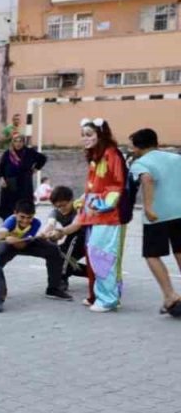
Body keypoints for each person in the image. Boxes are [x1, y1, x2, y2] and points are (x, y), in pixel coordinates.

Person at [71, 118, 128, 312]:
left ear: (100, 135)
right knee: (95, 255)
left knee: (102, 256)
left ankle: (108, 299)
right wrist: (84, 200)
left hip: (108, 215)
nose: (84, 139)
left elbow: (117, 185)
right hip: (95, 214)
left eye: (89, 135)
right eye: (83, 135)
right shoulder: (97, 156)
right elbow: (96, 186)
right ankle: (102, 296)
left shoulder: (111, 154)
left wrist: (98, 203)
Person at [127, 128, 181, 316]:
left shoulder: (140, 163)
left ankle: (169, 295)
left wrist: (148, 207)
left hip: (157, 215)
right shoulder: (176, 158)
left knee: (152, 255)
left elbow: (147, 179)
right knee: (179, 250)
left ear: (137, 147)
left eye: (131, 145)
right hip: (179, 212)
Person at [0, 199, 71, 302]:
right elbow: (2, 232)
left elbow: (22, 245)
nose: (25, 221)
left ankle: (53, 289)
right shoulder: (11, 220)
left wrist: (15, 240)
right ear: (15, 213)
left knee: (53, 250)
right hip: (7, 244)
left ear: (33, 215)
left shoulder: (36, 223)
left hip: (24, 243)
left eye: (29, 217)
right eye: (22, 217)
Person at [39, 185, 88, 294]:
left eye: (64, 205)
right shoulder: (56, 212)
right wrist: (44, 234)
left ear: (71, 199)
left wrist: (60, 232)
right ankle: (94, 274)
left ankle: (61, 280)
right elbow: (50, 224)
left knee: (64, 259)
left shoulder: (79, 207)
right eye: (58, 206)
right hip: (71, 240)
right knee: (56, 255)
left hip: (85, 239)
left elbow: (76, 225)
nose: (61, 209)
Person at [0, 129, 48, 221]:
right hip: (10, 183)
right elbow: (1, 168)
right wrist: (1, 179)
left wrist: (36, 168)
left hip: (24, 183)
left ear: (23, 142)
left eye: (20, 141)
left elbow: (42, 158)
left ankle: (24, 220)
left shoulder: (29, 152)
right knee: (9, 204)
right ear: (12, 142)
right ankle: (8, 221)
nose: (18, 143)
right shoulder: (8, 153)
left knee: (24, 204)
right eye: (16, 141)